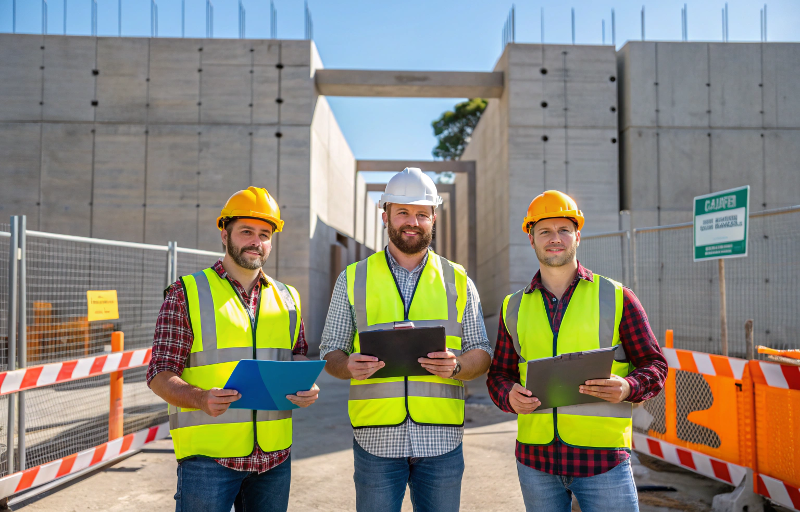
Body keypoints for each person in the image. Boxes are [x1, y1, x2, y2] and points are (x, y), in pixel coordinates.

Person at [320, 167, 492, 512]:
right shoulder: (353, 278)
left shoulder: (457, 279)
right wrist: (347, 365)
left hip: (441, 439)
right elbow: (330, 351)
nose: (411, 221)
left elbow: (482, 352)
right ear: (386, 215)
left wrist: (457, 366)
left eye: (420, 213)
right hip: (376, 439)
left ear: (433, 218)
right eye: (402, 212)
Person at [487, 190, 667, 512]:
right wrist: (508, 396)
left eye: (563, 230)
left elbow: (655, 365)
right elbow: (499, 373)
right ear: (531, 239)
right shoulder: (512, 307)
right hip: (536, 461)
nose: (554, 239)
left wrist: (628, 387)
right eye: (544, 231)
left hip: (603, 461)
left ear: (577, 236)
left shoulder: (617, 296)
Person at [147, 186, 319, 512]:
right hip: (209, 460)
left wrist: (305, 384)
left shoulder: (288, 297)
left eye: (264, 233)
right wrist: (200, 398)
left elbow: (296, 354)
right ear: (224, 235)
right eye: (246, 231)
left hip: (274, 457)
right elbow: (159, 374)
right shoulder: (187, 293)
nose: (256, 241)